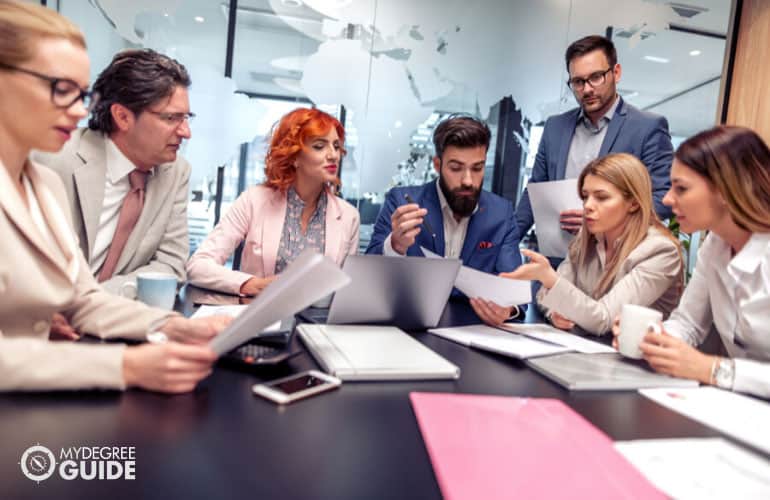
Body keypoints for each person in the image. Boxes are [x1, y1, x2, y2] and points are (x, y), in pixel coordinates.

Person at [0, 0, 227, 393]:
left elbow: (84, 298)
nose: (77, 111)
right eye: (61, 89)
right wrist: (126, 366)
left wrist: (173, 326)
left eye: (82, 95)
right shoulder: (58, 170)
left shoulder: (42, 184)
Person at [613, 126, 770, 398]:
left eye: (681, 188)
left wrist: (711, 368)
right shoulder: (715, 244)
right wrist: (654, 340)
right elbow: (688, 324)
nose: (666, 199)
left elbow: (709, 366)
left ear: (726, 189)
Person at [34, 48, 192, 295]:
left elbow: (171, 265)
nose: (186, 132)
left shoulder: (176, 172)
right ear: (123, 116)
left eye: (186, 118)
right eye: (171, 118)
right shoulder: (53, 158)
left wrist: (97, 302)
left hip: (110, 319)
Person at [515, 34, 674, 246]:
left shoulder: (647, 128)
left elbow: (662, 198)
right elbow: (535, 192)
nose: (587, 89)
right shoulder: (555, 127)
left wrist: (605, 224)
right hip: (557, 259)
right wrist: (505, 243)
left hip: (613, 262)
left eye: (596, 77)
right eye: (578, 82)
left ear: (616, 73)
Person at [366, 115, 524, 324]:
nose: (468, 180)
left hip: (473, 334)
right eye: (456, 168)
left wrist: (508, 309)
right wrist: (395, 245)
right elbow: (368, 275)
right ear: (437, 164)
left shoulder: (501, 213)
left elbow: (515, 290)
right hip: (408, 326)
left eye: (477, 168)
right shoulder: (402, 201)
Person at [186, 107, 360, 295]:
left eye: (336, 146)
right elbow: (198, 265)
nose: (333, 155)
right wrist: (251, 284)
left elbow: (347, 292)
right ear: (294, 157)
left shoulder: (349, 217)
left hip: (316, 322)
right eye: (319, 146)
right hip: (259, 317)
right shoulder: (253, 200)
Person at [504, 153, 682, 335]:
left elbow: (604, 319)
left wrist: (549, 278)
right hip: (588, 351)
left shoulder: (660, 251)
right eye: (585, 197)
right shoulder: (588, 237)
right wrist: (554, 313)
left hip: (639, 359)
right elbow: (544, 295)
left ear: (634, 203)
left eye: (602, 197)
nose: (588, 206)